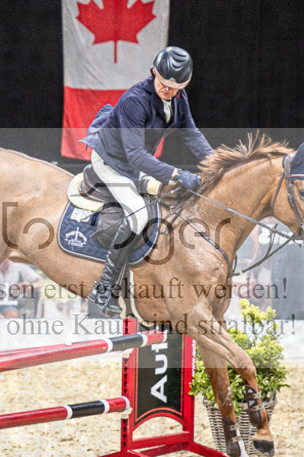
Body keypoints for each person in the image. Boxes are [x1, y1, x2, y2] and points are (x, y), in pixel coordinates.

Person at [80, 46, 215, 316]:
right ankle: (105, 288)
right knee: (138, 215)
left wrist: (217, 163)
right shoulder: (134, 100)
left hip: (133, 164)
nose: (169, 92)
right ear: (154, 72)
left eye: (176, 88)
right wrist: (177, 173)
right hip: (112, 162)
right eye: (165, 85)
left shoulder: (179, 97)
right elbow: (136, 156)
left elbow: (191, 134)